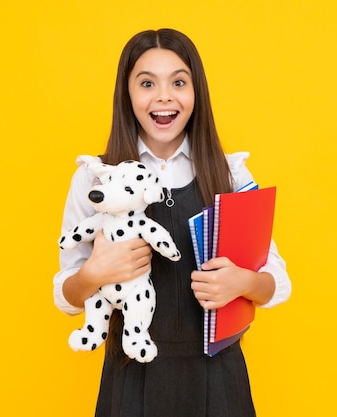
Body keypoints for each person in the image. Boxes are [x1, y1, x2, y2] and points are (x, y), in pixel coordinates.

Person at [53, 28, 291, 417]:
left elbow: (277, 282)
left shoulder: (231, 174)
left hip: (218, 382)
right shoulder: (95, 178)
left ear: (196, 92)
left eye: (178, 82)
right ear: (127, 94)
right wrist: (93, 273)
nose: (164, 96)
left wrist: (243, 282)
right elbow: (66, 295)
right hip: (132, 378)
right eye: (147, 83)